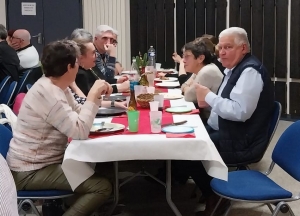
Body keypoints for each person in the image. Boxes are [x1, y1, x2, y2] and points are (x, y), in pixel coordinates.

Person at [6, 40, 113, 216]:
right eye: (77, 63)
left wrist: (96, 97)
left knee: (102, 166)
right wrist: (93, 95)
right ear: (70, 67)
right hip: (30, 171)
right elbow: (79, 131)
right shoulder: (49, 93)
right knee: (100, 187)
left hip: (39, 163)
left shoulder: (55, 85)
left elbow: (79, 113)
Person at [179, 27, 275, 216]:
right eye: (220, 48)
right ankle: (205, 190)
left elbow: (240, 112)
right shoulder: (234, 69)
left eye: (228, 47)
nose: (221, 52)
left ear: (243, 48)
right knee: (184, 138)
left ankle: (214, 200)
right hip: (230, 131)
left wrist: (209, 97)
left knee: (187, 151)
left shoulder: (250, 72)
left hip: (243, 140)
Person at [70, 28, 129, 96]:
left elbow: (102, 79)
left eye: (112, 40)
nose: (109, 42)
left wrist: (116, 81)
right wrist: (119, 88)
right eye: (105, 38)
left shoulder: (91, 62)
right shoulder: (79, 72)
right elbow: (91, 95)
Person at [181, 38, 223, 122]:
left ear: (200, 58)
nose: (183, 61)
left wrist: (187, 87)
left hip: (214, 122)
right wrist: (187, 87)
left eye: (187, 56)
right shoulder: (200, 69)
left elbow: (188, 97)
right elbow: (183, 85)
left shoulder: (207, 71)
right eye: (183, 56)